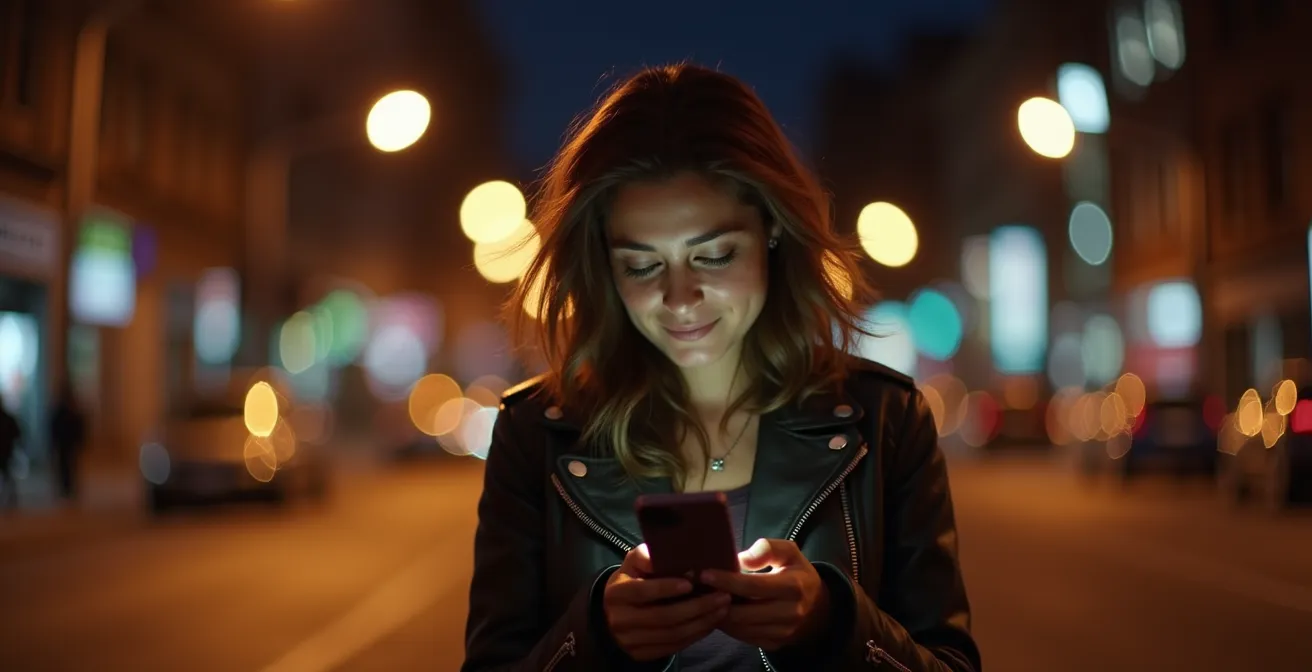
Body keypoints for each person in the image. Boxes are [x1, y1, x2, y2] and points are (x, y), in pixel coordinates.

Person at [462, 63, 980, 671]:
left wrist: (834, 622)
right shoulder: (537, 435)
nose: (680, 298)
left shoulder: (885, 421)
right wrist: (595, 636)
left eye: (713, 256)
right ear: (604, 265)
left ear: (772, 230)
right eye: (642, 266)